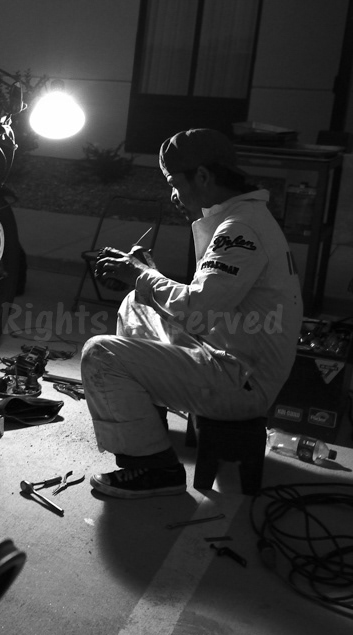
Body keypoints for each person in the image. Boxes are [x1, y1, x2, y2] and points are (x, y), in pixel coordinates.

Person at [81, 128, 303, 499]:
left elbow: (198, 310)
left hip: (241, 381)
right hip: (229, 351)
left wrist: (143, 275)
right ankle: (147, 429)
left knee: (100, 355)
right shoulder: (241, 217)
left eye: (174, 183)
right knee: (135, 303)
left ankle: (156, 469)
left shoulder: (240, 228)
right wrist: (145, 280)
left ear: (202, 176)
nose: (172, 195)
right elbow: (209, 300)